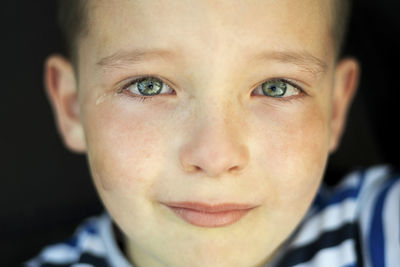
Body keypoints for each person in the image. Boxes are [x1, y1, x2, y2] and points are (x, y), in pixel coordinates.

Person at [24, 0, 399, 266]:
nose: (215, 157)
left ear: (335, 108)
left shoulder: (378, 231)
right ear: (72, 106)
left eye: (277, 87)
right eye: (149, 86)